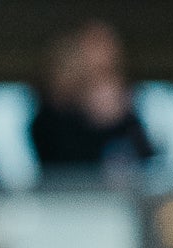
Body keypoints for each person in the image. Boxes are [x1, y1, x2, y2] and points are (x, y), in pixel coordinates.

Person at [34, 20, 153, 171]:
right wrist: (97, 120)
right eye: (95, 44)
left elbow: (145, 160)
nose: (105, 54)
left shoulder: (126, 110)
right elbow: (60, 161)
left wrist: (117, 119)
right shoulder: (53, 116)